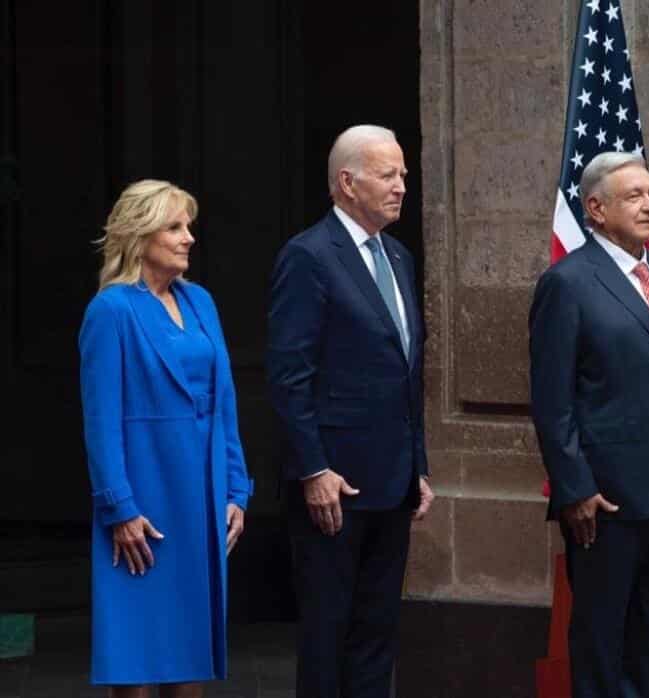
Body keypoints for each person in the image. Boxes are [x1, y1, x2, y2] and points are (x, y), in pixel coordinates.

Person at [529, 152, 649, 698]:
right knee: (602, 645)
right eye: (634, 196)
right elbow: (552, 399)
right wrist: (574, 487)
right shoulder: (568, 282)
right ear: (596, 209)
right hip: (604, 502)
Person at [266, 124, 434, 697]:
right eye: (388, 175)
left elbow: (405, 374)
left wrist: (419, 465)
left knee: (376, 633)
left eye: (404, 175)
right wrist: (313, 469)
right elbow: (291, 375)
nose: (401, 187)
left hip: (392, 482)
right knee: (327, 634)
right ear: (347, 182)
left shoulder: (400, 257)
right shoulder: (309, 256)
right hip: (333, 487)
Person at [79, 179, 254, 696]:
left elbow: (224, 404)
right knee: (135, 655)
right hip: (143, 503)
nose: (188, 239)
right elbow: (101, 420)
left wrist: (236, 490)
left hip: (198, 496)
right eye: (174, 228)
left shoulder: (200, 302)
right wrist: (119, 508)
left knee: (189, 649)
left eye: (188, 227)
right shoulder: (111, 311)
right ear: (140, 235)